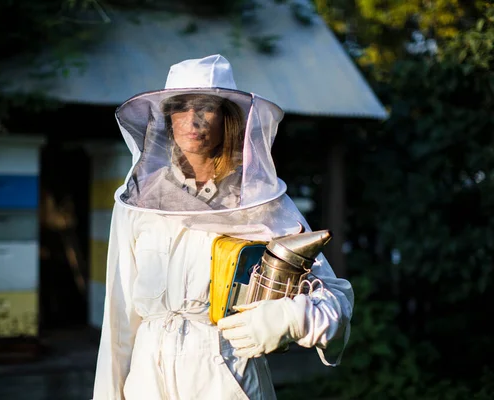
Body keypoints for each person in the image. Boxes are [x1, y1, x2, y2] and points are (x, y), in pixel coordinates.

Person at [92, 54, 354, 400]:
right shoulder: (140, 199)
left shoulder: (260, 201)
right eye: (180, 107)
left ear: (229, 118)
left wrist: (292, 318)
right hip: (147, 374)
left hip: (226, 373)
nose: (192, 120)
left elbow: (336, 301)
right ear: (167, 117)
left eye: (206, 108)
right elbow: (119, 317)